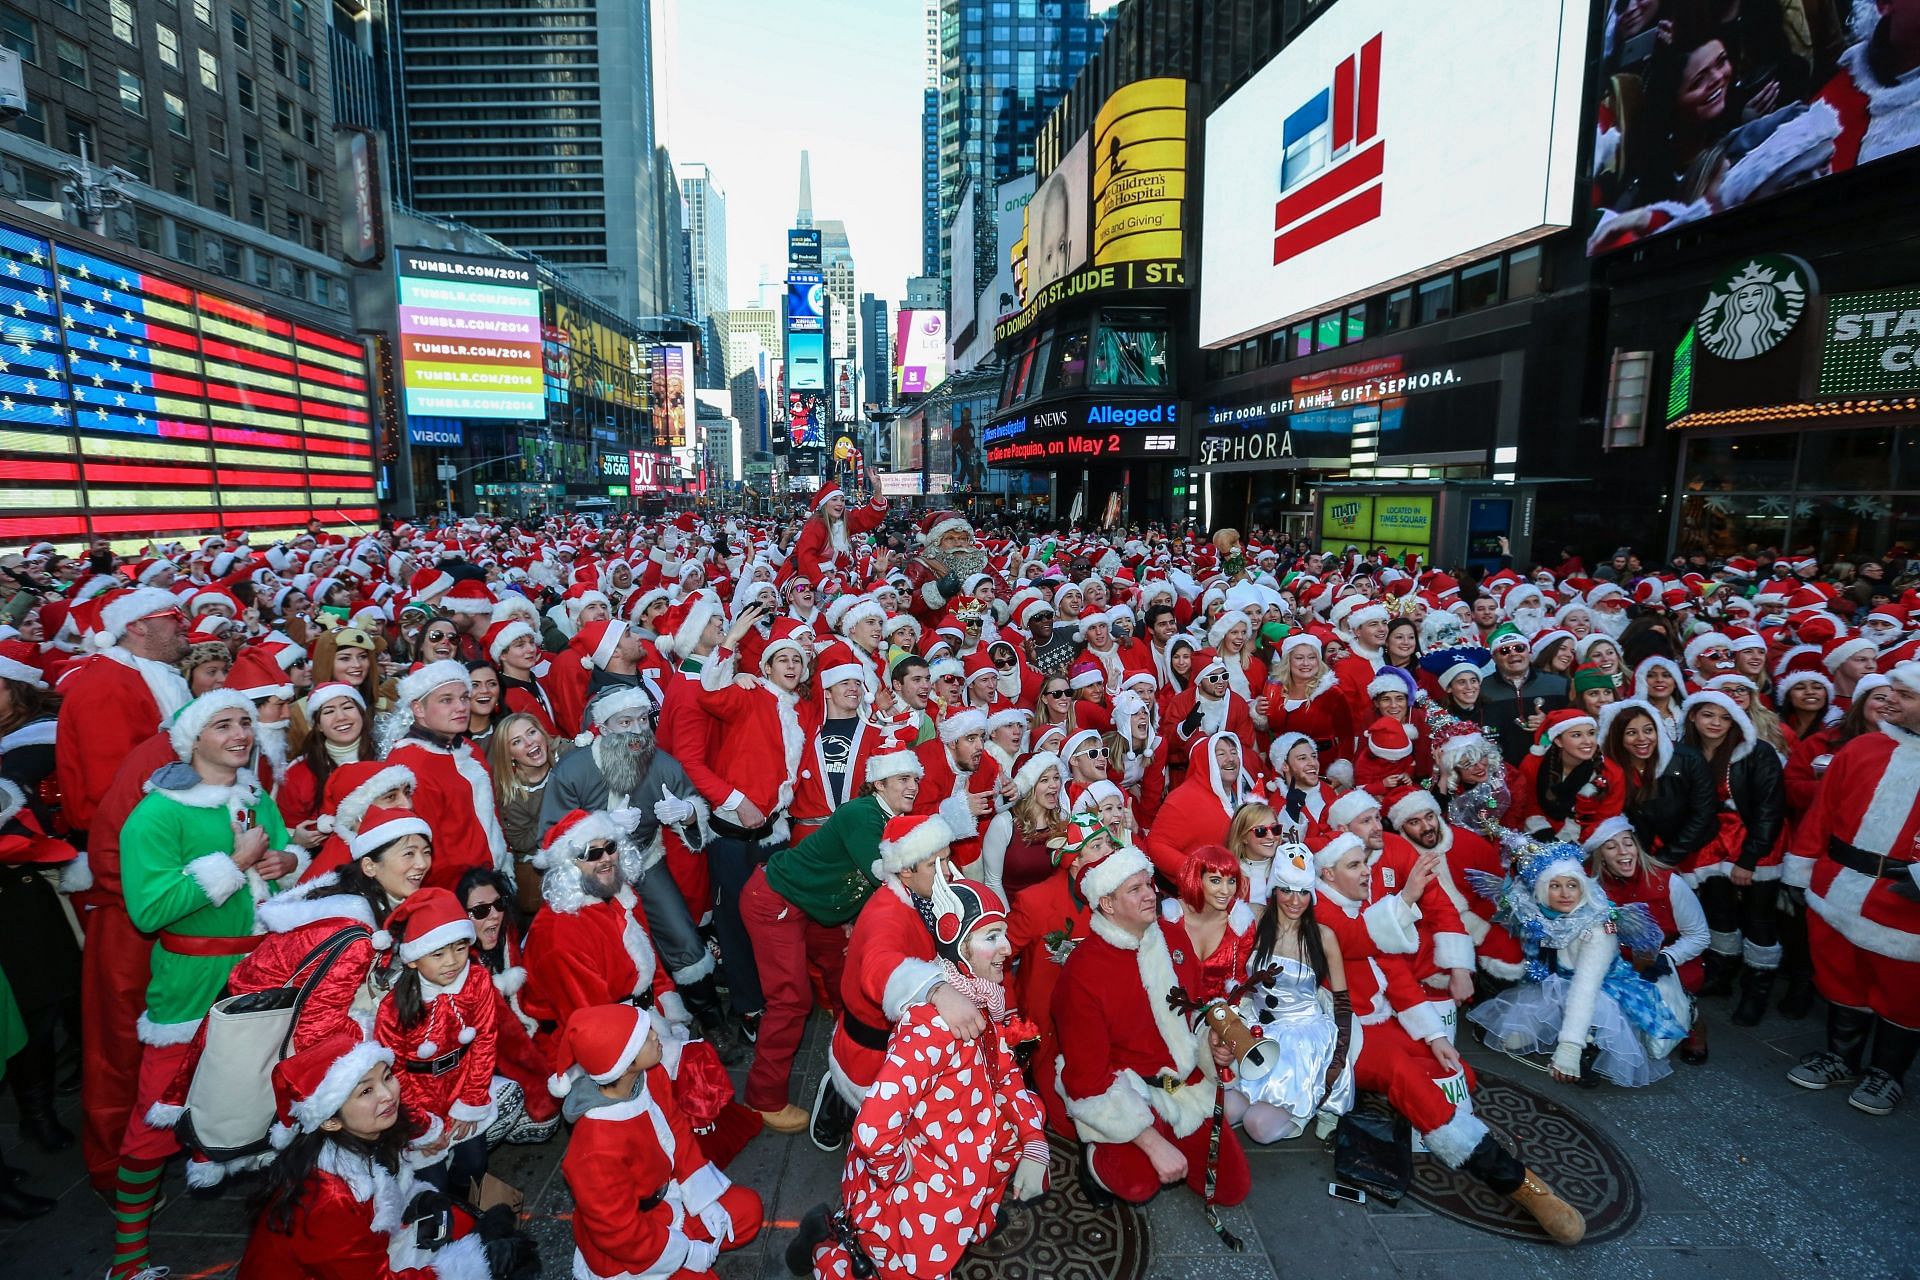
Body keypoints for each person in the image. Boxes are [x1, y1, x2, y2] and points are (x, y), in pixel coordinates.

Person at [1312, 831, 1585, 1244]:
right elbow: (1357, 940)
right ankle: (1515, 1181)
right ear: (1328, 874)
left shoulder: (1359, 907)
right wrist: (1405, 899)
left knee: (1457, 1073)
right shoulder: (1318, 910)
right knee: (1408, 1075)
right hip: (1344, 1031)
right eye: (1354, 865)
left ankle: (1413, 1110)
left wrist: (1435, 1035)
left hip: (1381, 1022)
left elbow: (1395, 974)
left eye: (1364, 861)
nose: (1368, 870)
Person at [112, 690, 300, 1280]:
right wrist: (237, 863)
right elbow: (149, 910)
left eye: (245, 721)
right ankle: (126, 1261)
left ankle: (283, 1239)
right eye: (224, 724)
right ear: (193, 739)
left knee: (270, 1100)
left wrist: (286, 861)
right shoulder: (158, 813)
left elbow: (284, 841)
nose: (241, 733)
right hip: (192, 985)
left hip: (262, 974)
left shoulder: (253, 794)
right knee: (156, 1115)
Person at [791, 876, 1048, 1279]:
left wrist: (1034, 1142)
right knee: (905, 1268)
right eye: (991, 936)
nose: (1006, 948)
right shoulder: (931, 1026)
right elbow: (874, 1133)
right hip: (926, 1183)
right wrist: (902, 1175)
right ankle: (825, 1246)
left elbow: (1006, 1074)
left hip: (964, 1159)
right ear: (959, 944)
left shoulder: (981, 999)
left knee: (1027, 1112)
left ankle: (973, 1222)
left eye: (1004, 934)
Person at [1052, 845, 1251, 1211]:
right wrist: (1151, 1141)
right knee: (1138, 1182)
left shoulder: (1174, 941)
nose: (1150, 894)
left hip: (1183, 1087)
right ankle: (1094, 1153)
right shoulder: (1083, 973)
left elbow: (1195, 1015)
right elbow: (1087, 1079)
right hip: (1126, 1091)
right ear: (1107, 904)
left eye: (1149, 884)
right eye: (1136, 889)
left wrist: (1212, 1046)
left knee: (1233, 1188)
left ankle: (1168, 1136)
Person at [539, 686, 733, 1055]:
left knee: (684, 938)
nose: (636, 730)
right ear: (604, 727)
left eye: (642, 720)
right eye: (624, 722)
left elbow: (695, 806)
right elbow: (550, 837)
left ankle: (712, 1021)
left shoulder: (660, 762)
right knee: (609, 954)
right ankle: (621, 1037)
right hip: (589, 877)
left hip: (645, 861)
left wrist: (687, 813)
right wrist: (602, 825)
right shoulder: (574, 769)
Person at [238, 1032, 513, 1279]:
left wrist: (418, 1198)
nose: (388, 1095)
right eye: (366, 1091)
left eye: (387, 1077)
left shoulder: (362, 1140)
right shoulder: (327, 1199)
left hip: (359, 1261)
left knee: (464, 1223)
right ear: (329, 1120)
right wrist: (477, 1262)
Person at [1782, 661, 1920, 1116]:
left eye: (1906, 695)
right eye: (1892, 691)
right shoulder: (1861, 747)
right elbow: (1822, 815)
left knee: (1903, 995)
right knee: (1840, 976)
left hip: (1906, 903)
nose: (1891, 700)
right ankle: (1841, 1057)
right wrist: (1802, 872)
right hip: (1837, 885)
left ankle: (1887, 1073)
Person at [552, 1003, 762, 1280]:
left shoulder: (651, 1075)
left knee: (748, 1212)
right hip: (633, 1243)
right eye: (644, 1037)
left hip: (670, 1202)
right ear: (624, 1063)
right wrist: (685, 1253)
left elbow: (678, 1134)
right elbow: (620, 1233)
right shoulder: (594, 1149)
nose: (655, 1035)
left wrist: (704, 1199)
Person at [1468, 833, 1688, 1088]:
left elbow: (1585, 988)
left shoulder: (1596, 927)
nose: (1565, 894)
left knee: (1588, 1040)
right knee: (1507, 1036)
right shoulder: (1540, 915)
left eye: (1572, 885)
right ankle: (1566, 1032)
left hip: (1602, 990)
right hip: (1559, 983)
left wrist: (1569, 1048)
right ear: (1542, 889)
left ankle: (1587, 1043)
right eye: (1555, 885)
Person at [370, 887, 499, 1192]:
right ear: (413, 960)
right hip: (416, 1101)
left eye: (459, 948)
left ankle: (467, 1212)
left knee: (474, 1165)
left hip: (463, 1087)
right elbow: (393, 1071)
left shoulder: (477, 981)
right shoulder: (394, 1008)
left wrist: (470, 1100)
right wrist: (421, 1125)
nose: (452, 962)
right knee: (431, 1184)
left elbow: (485, 1040)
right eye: (438, 953)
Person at [1225, 845, 1355, 1143]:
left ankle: (1306, 1106)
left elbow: (1343, 1002)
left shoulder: (1323, 937)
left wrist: (1338, 1059)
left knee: (1259, 1127)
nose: (1295, 901)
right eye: (1286, 890)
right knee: (1225, 1110)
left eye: (1303, 892)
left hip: (1301, 1044)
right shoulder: (1255, 919)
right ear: (1273, 890)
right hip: (1253, 1033)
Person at [1677, 690, 1786, 1025]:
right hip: (1710, 843)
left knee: (1759, 917)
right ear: (1693, 715)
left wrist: (1749, 859)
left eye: (1725, 717)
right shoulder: (1682, 753)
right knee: (1718, 911)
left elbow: (1770, 809)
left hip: (1756, 841)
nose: (1716, 724)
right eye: (1709, 715)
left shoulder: (1758, 752)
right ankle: (1722, 975)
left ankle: (1757, 989)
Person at [1590, 817, 1711, 1066]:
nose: (1623, 851)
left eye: (1628, 843)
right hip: (1619, 960)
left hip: (1669, 958)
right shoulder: (1594, 889)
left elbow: (1699, 936)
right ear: (1600, 856)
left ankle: (1692, 1019)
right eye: (1612, 847)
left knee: (1663, 1021)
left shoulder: (1670, 884)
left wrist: (1667, 958)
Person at [383, 662, 510, 892]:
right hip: (454, 890)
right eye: (446, 700)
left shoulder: (469, 748)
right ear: (418, 709)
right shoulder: (410, 763)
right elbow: (416, 845)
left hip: (492, 881)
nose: (461, 707)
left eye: (463, 698)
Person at [455, 867, 559, 1147]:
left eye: (499, 904)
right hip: (479, 1069)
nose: (493, 915)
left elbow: (534, 1001)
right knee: (536, 1117)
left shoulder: (508, 938)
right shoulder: (456, 963)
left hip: (523, 1043)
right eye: (480, 911)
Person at [487, 711, 556, 915]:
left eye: (532, 732)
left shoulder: (565, 756)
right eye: (517, 741)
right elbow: (521, 842)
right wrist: (559, 811)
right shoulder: (512, 796)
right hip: (544, 873)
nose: (529, 742)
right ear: (509, 755)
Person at [975, 751, 1066, 903]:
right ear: (1028, 788)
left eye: (1056, 778)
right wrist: (1009, 921)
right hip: (1013, 913)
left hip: (1052, 912)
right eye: (1044, 780)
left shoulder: (1061, 820)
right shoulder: (1004, 824)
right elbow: (993, 882)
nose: (1054, 785)